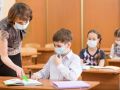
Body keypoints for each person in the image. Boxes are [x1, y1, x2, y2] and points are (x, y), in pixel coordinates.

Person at [0, 3, 32, 77]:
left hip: (15, 54)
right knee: (9, 80)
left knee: (20, 78)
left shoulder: (24, 21)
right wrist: (16, 67)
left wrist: (19, 65)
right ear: (13, 20)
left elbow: (19, 44)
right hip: (4, 57)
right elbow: (4, 56)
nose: (23, 24)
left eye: (26, 21)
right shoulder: (3, 29)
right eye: (20, 22)